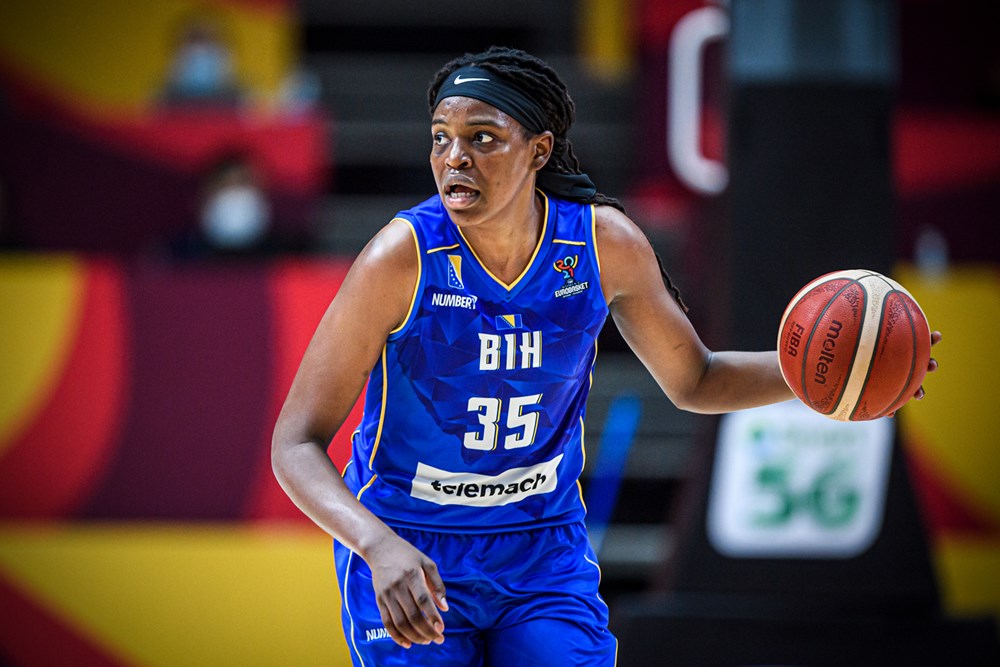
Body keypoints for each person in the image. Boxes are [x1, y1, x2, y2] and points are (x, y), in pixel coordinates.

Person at [271, 46, 940, 666]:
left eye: (482, 137)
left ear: (538, 150)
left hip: (540, 548)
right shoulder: (402, 257)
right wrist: (375, 544)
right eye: (441, 138)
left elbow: (697, 379)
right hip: (411, 541)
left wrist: (830, 377)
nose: (455, 158)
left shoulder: (602, 244)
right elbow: (295, 443)